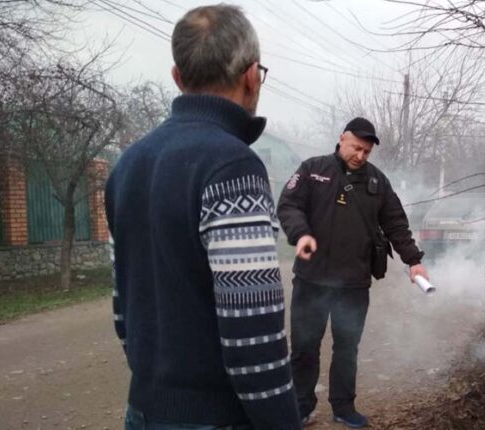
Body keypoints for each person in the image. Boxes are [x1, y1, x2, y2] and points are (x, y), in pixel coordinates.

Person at [106, 5, 301, 429]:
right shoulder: (233, 167)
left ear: (178, 77)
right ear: (251, 76)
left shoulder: (127, 165)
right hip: (216, 418)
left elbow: (123, 309)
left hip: (142, 412)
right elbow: (252, 334)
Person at [277, 117, 428, 428]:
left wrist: (413, 260)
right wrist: (300, 234)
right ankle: (300, 406)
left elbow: (396, 224)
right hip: (312, 279)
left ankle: (344, 407)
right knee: (304, 347)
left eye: (366, 152)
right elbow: (289, 205)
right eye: (356, 148)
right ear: (341, 138)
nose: (360, 155)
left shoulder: (377, 182)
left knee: (347, 348)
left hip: (353, 283)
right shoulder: (313, 169)